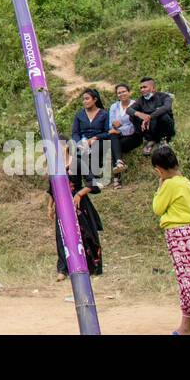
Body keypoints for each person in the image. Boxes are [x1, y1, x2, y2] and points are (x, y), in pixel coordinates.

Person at [150, 145, 190, 335]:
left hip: (179, 237)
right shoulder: (186, 182)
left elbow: (157, 208)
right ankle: (185, 327)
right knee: (188, 281)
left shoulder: (169, 184)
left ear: (159, 170)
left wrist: (160, 185)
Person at [48, 140, 103, 279]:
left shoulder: (77, 162)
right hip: (62, 204)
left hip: (78, 204)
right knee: (62, 235)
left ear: (66, 147)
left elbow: (93, 183)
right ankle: (62, 270)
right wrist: (50, 206)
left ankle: (89, 266)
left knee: (83, 234)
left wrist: (79, 193)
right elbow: (52, 187)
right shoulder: (54, 166)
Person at [70, 88, 110, 180]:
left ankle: (94, 175)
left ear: (95, 100)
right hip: (83, 141)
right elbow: (75, 132)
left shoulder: (104, 114)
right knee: (75, 150)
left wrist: (95, 138)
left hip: (99, 140)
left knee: (96, 146)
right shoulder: (79, 115)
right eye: (83, 99)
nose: (84, 101)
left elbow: (107, 132)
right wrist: (79, 142)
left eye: (87, 99)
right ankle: (77, 178)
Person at [107, 82, 142, 187]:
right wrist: (116, 128)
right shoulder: (114, 106)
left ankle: (117, 179)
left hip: (134, 136)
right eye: (119, 93)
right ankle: (119, 162)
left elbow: (135, 125)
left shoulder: (136, 105)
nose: (121, 94)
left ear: (129, 92)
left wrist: (120, 129)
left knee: (114, 146)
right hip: (118, 137)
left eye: (124, 91)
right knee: (114, 139)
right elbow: (111, 124)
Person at [128, 77, 175, 155]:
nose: (142, 89)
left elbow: (167, 107)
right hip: (151, 128)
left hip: (165, 127)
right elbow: (128, 110)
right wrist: (140, 115)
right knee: (132, 116)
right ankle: (150, 140)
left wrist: (149, 117)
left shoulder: (164, 96)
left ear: (153, 88)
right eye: (141, 88)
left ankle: (163, 140)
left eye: (144, 87)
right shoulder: (141, 100)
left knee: (163, 115)